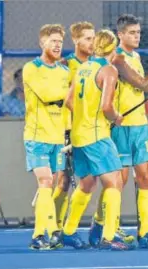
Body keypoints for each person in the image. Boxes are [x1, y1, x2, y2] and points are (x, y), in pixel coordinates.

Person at [87, 14, 148, 249]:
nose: (137, 36)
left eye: (138, 32)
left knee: (145, 177)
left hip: (140, 127)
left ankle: (146, 232)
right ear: (120, 35)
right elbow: (146, 85)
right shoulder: (116, 59)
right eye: (132, 33)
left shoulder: (136, 56)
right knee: (119, 181)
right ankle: (101, 224)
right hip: (121, 128)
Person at [64, 29, 134, 250]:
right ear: (113, 48)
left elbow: (68, 101)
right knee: (115, 182)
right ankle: (109, 236)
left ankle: (68, 231)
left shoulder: (82, 67)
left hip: (78, 134)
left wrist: (85, 116)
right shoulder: (108, 70)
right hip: (96, 135)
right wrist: (117, 117)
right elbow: (107, 108)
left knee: (86, 183)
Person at [22, 24, 70, 250]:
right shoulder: (31, 68)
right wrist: (70, 91)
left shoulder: (64, 72)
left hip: (57, 138)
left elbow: (68, 106)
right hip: (37, 136)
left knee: (49, 187)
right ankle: (53, 231)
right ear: (42, 43)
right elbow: (48, 95)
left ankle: (38, 235)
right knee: (45, 181)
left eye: (60, 41)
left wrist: (68, 133)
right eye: (53, 41)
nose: (57, 45)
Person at [53, 21, 95, 231]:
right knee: (63, 181)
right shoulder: (64, 64)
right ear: (76, 40)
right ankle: (53, 228)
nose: (92, 42)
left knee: (89, 180)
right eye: (88, 38)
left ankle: (71, 228)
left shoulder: (97, 65)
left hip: (90, 131)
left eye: (94, 38)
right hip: (68, 130)